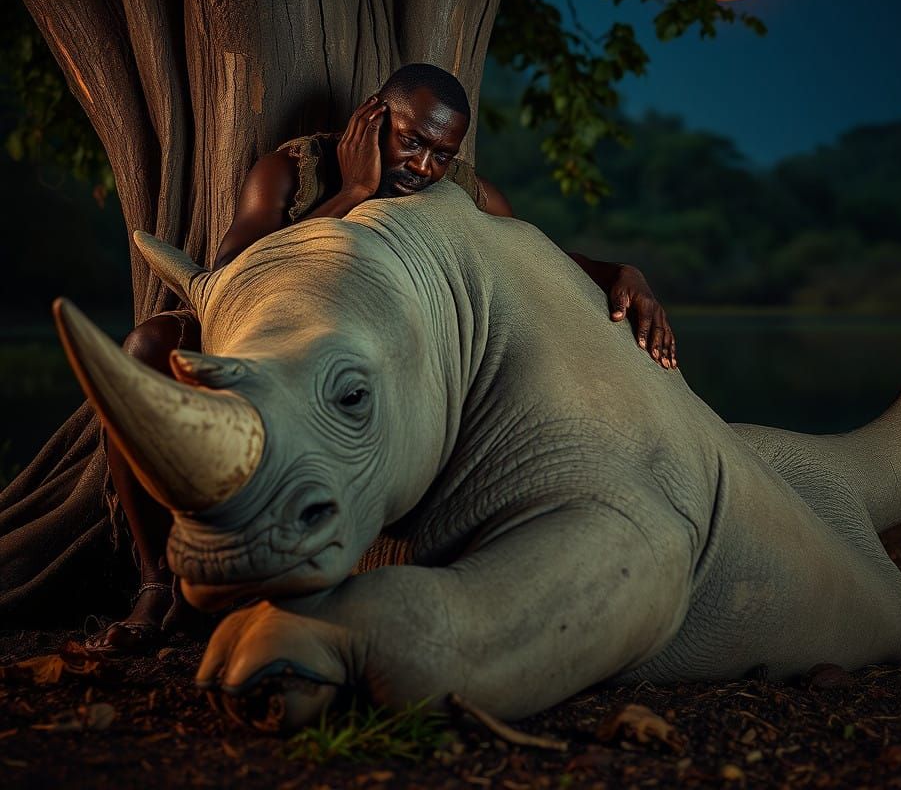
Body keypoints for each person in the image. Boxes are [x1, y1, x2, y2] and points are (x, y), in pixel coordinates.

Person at [86, 63, 677, 655]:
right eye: (411, 140)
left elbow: (530, 262)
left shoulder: (468, 197)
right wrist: (352, 194)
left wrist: (619, 272)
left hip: (367, 364)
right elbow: (235, 274)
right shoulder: (295, 170)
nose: (424, 167)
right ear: (373, 118)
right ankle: (157, 581)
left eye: (442, 154)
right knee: (146, 348)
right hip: (269, 349)